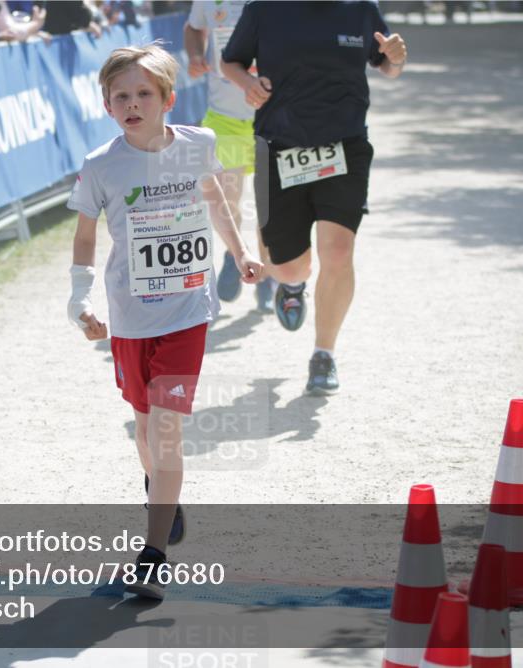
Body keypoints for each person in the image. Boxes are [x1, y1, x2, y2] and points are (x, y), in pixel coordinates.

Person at [66, 43, 262, 599]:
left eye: (143, 94)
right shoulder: (101, 166)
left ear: (167, 99)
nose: (132, 104)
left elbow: (217, 201)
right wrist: (79, 301)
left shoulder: (198, 145)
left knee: (165, 426)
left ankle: (152, 556)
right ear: (107, 106)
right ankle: (160, 490)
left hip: (187, 311)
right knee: (143, 424)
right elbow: (84, 237)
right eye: (120, 96)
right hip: (130, 316)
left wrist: (240, 252)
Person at [221, 1, 406, 395]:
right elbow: (230, 62)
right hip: (280, 146)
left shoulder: (360, 9)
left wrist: (395, 60)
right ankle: (291, 287)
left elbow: (386, 63)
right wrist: (248, 84)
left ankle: (324, 353)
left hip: (345, 146)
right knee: (287, 268)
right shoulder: (264, 10)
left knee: (338, 252)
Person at [185, 0, 275, 311]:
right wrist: (196, 55)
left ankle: (266, 277)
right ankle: (235, 253)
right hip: (223, 116)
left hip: (272, 115)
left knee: (268, 204)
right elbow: (194, 28)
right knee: (228, 198)